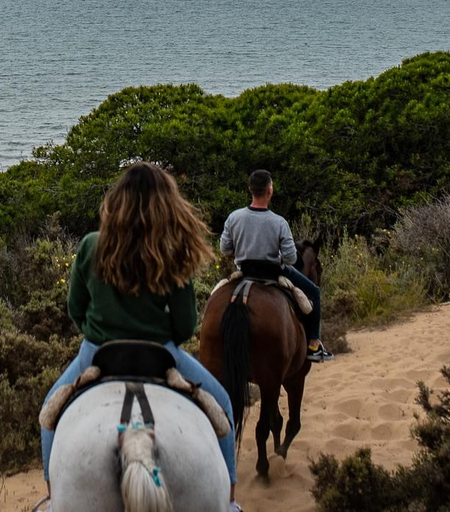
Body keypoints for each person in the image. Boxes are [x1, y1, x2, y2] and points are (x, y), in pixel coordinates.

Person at [38, 162, 240, 512]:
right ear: (167, 203)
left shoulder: (90, 246)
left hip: (98, 352)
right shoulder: (173, 248)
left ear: (116, 200)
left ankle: (53, 495)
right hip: (160, 354)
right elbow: (183, 326)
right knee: (222, 403)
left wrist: (96, 332)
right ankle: (232, 502)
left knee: (48, 413)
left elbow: (75, 308)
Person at [220, 170, 331, 363]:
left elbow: (224, 248)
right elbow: (290, 257)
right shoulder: (279, 222)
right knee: (314, 292)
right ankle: (314, 344)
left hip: (244, 271)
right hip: (273, 272)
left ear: (250, 190)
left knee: (217, 295)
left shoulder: (234, 217)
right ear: (270, 190)